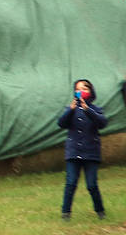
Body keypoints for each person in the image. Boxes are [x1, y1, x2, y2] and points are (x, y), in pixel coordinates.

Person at [57, 79, 108, 221]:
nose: (81, 92)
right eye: (78, 89)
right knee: (71, 182)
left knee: (91, 185)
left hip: (91, 152)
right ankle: (65, 213)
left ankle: (100, 210)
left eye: (84, 88)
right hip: (73, 152)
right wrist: (71, 110)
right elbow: (61, 123)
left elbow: (102, 123)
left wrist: (87, 110)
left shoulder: (96, 109)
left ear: (91, 91)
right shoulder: (70, 109)